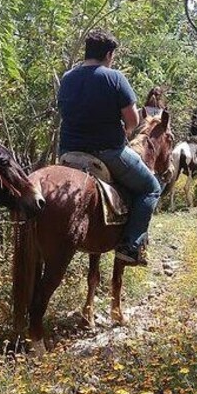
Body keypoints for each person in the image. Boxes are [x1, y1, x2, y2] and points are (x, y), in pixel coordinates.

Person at [57, 29, 161, 266]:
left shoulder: (67, 78)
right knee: (151, 187)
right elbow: (133, 121)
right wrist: (124, 131)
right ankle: (131, 246)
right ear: (109, 54)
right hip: (108, 152)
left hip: (68, 153)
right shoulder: (114, 77)